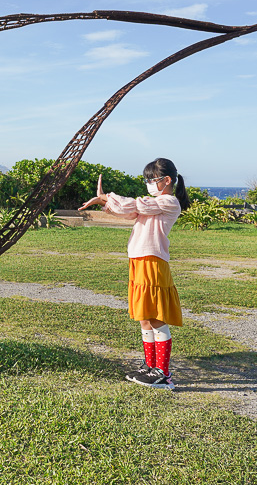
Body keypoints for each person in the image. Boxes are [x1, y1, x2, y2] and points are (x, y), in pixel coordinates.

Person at [78, 157, 190, 390]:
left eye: (152, 180)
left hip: (152, 261)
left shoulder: (169, 201)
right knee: (144, 315)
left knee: (156, 315)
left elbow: (136, 205)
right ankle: (150, 367)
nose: (149, 184)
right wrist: (105, 202)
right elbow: (128, 212)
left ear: (167, 180)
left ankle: (163, 374)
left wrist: (108, 196)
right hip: (139, 260)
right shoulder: (154, 202)